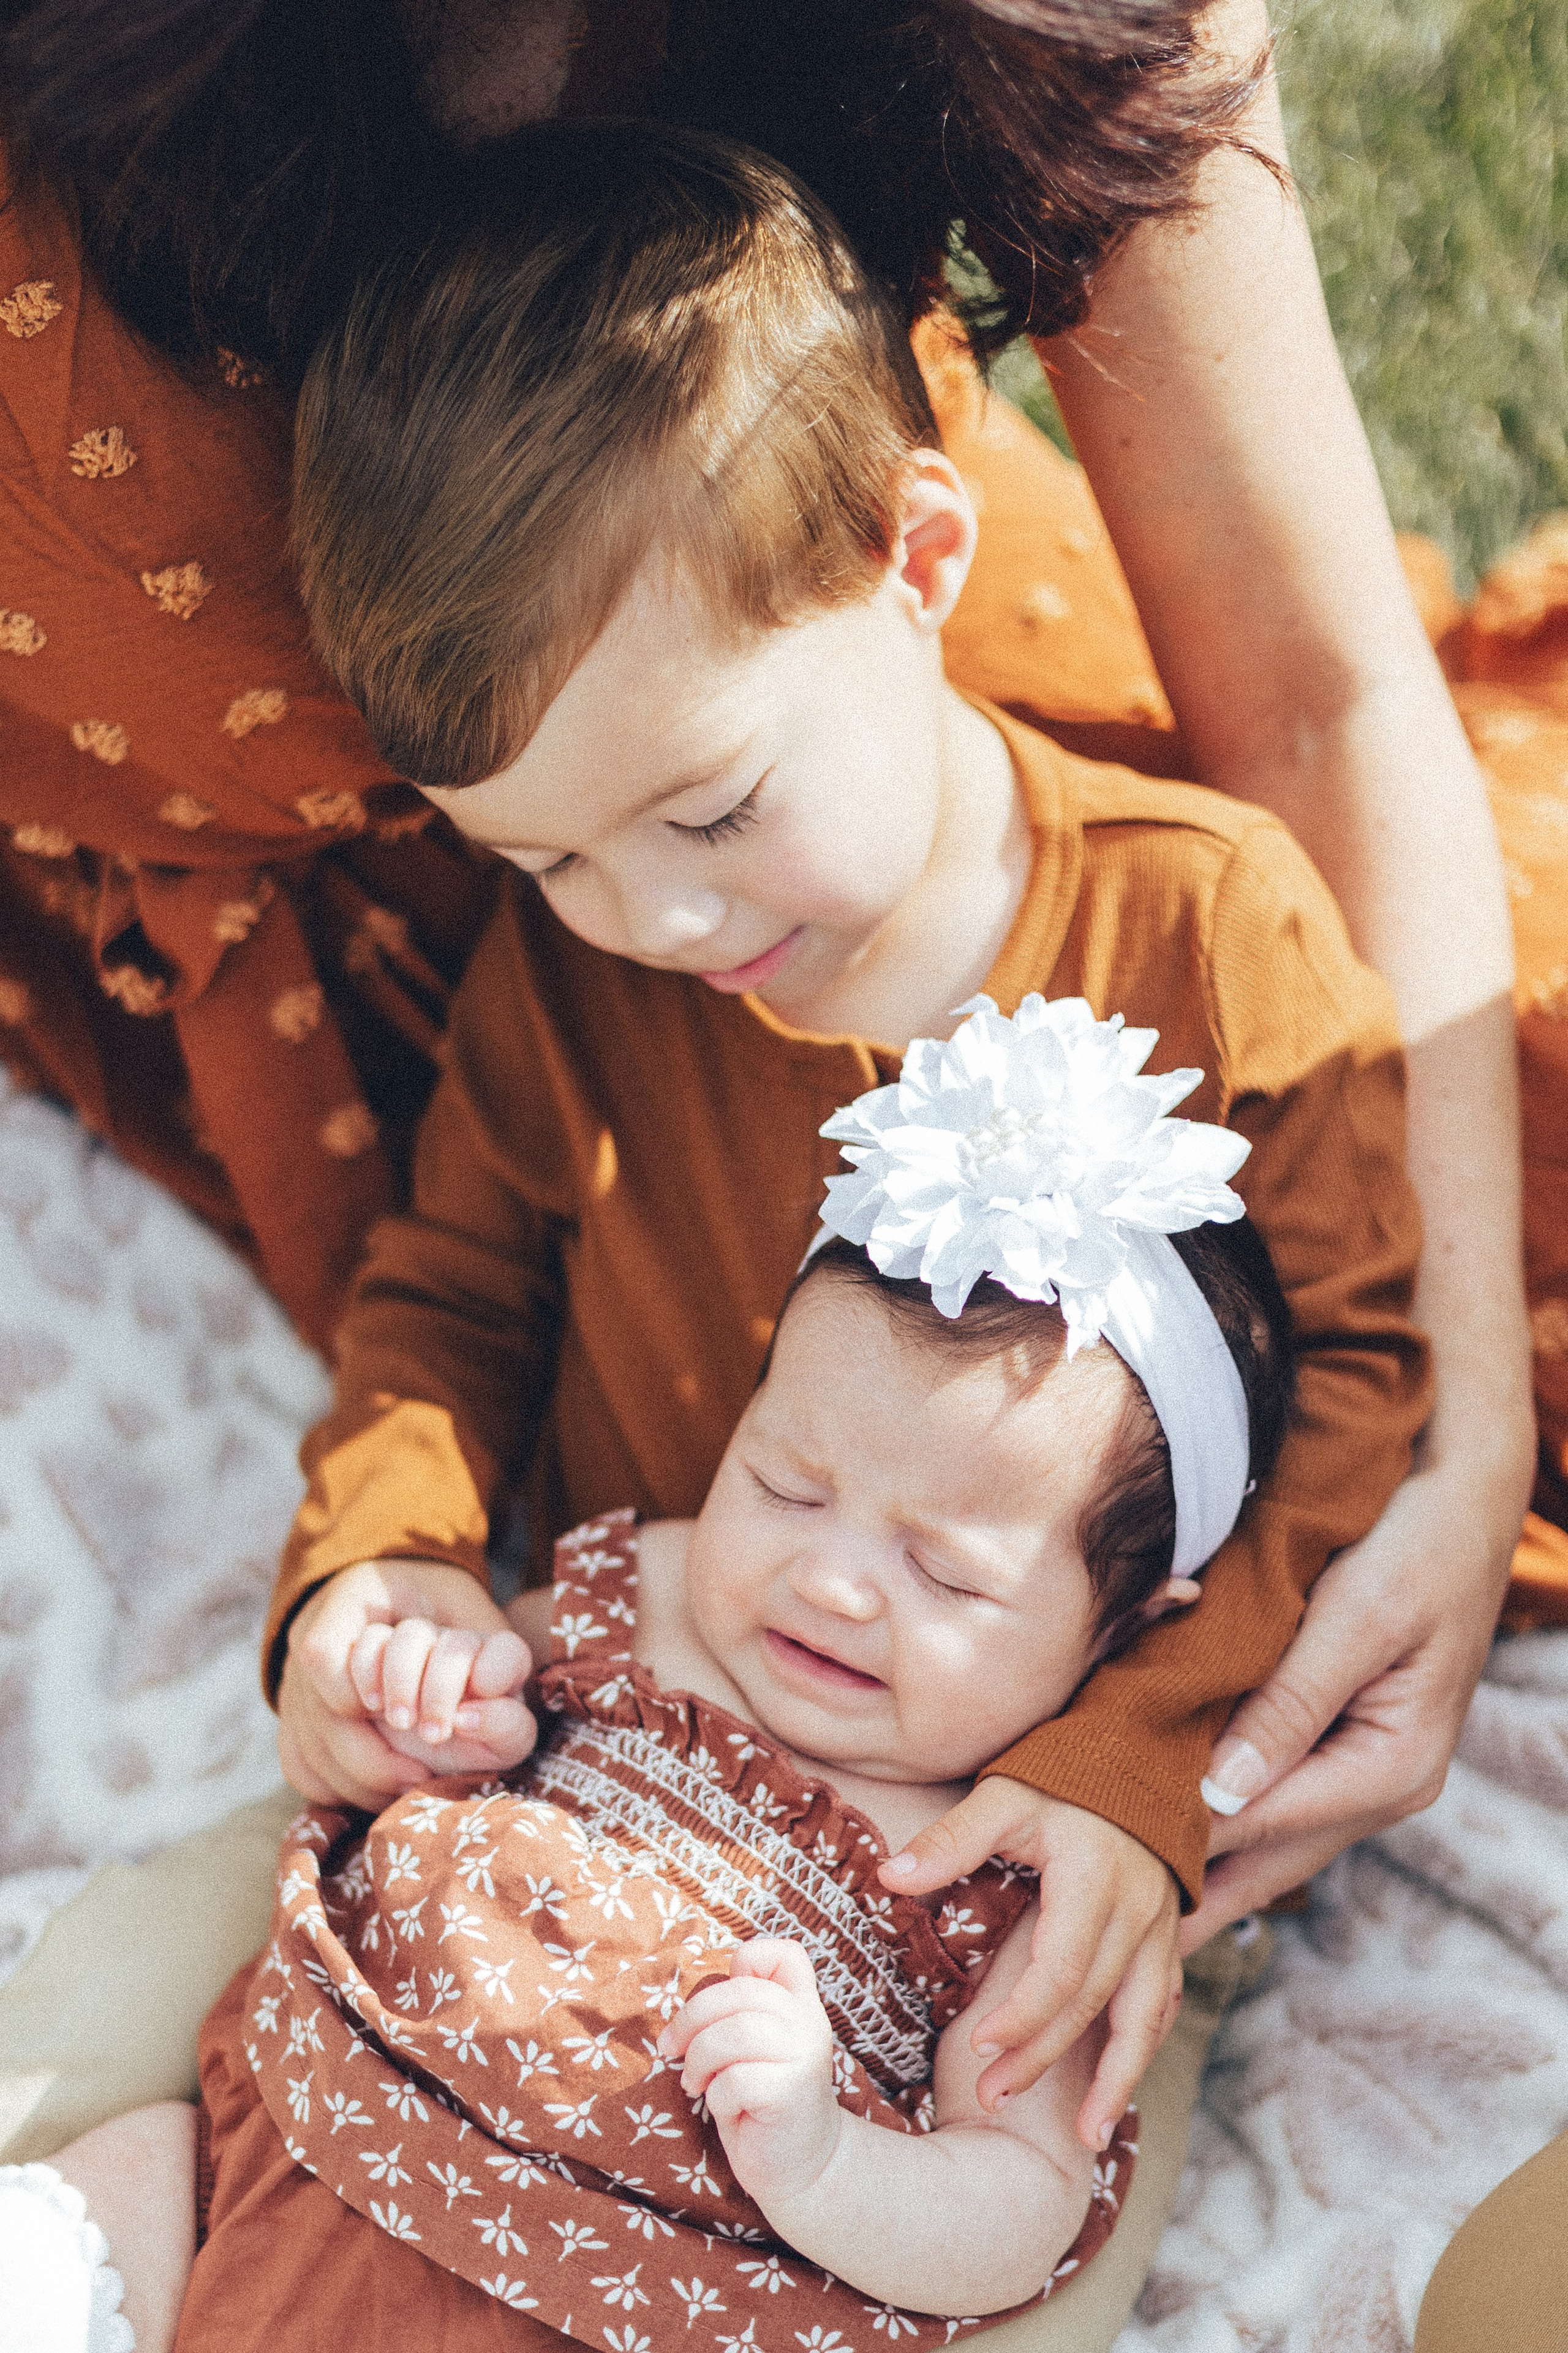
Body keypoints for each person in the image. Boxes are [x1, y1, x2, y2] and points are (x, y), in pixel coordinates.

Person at [0, 0, 1531, 2301]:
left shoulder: (1204, 926)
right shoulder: (602, 955)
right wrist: (378, 1573)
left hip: (998, 1859)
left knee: (1015, 2232)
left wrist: (1135, 1773)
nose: (667, 923)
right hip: (586, 1746)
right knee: (140, 1997)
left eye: (711, 812)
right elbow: (453, 1288)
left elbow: (1365, 1398)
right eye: (553, 864)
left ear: (927, 555)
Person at [2, 995, 1298, 2350]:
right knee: (127, 2176)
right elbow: (477, 1671)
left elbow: (1023, 2199)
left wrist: (823, 2158)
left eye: (945, 1575)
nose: (833, 1580)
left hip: (614, 2291)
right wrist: (436, 1696)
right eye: (785, 1483)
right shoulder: (660, 1587)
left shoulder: (1042, 1867)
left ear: (1129, 1623)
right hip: (314, 2127)